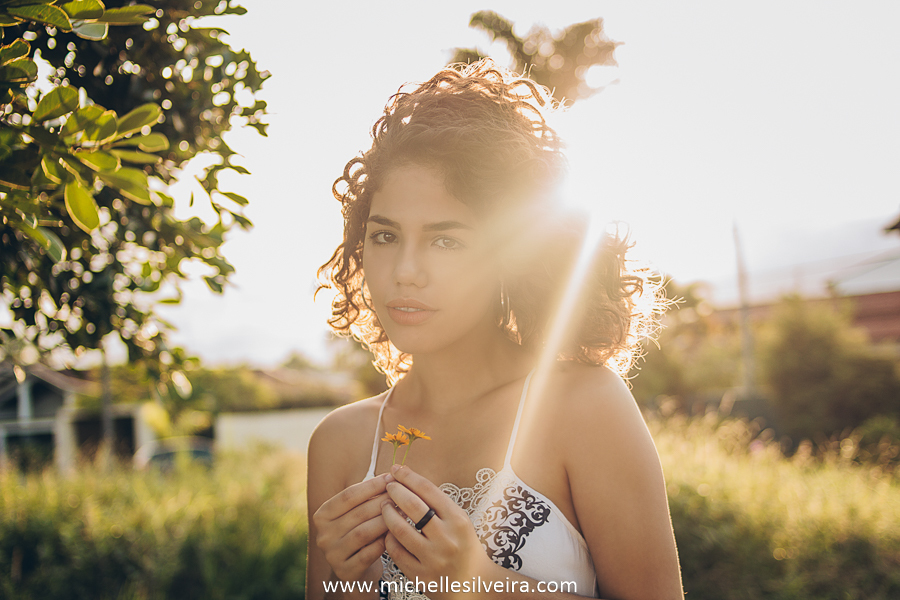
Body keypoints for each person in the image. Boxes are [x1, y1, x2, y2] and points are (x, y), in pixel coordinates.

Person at [307, 58, 684, 600]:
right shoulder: (340, 444)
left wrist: (480, 583)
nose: (405, 271)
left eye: (446, 240)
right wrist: (350, 586)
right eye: (385, 236)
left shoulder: (583, 407)